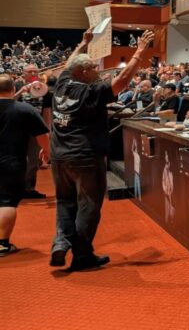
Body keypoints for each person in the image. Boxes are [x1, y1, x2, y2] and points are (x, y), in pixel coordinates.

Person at [50, 28, 154, 270]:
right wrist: (139, 51)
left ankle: (60, 241)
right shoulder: (91, 91)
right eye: (94, 68)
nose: (99, 71)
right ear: (84, 72)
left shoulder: (61, 84)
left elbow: (69, 63)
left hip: (59, 157)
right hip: (85, 157)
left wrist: (83, 43)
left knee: (65, 201)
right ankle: (82, 254)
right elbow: (122, 81)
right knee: (89, 205)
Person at [0, 74, 50, 256]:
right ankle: (2, 244)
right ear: (13, 89)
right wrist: (46, 151)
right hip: (12, 162)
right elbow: (43, 135)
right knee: (6, 202)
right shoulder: (25, 109)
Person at [13, 63, 51, 198]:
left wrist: (48, 130)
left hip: (36, 130)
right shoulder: (16, 86)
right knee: (16, 159)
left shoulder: (44, 89)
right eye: (30, 72)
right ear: (24, 73)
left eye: (36, 72)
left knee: (34, 160)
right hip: (17, 129)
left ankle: (29, 189)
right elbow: (6, 103)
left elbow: (47, 111)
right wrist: (20, 92)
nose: (34, 74)